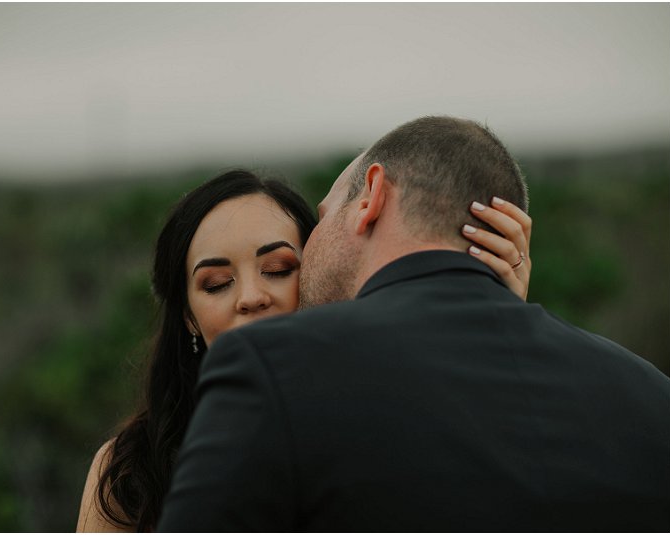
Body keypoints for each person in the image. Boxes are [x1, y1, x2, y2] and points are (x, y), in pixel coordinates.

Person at [158, 117, 670, 532]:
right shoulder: (656, 398)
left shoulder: (275, 372)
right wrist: (495, 318)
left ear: (370, 198)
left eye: (324, 216)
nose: (309, 249)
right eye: (217, 282)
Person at [76, 167, 533, 531]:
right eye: (216, 283)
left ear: (317, 279)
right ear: (189, 316)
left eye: (278, 269)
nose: (251, 296)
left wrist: (491, 320)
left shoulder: (391, 425)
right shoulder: (130, 469)